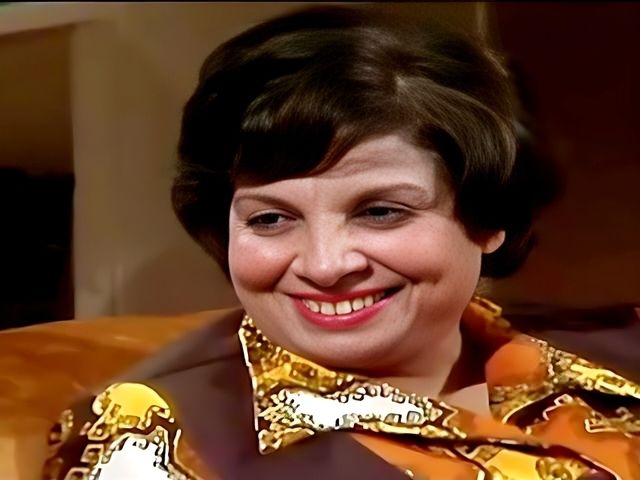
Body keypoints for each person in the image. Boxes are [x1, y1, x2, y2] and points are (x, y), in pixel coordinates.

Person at [43, 5, 639, 479]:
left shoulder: (617, 349)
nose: (325, 266)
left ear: (489, 218)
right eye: (270, 220)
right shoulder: (152, 437)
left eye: (380, 212)